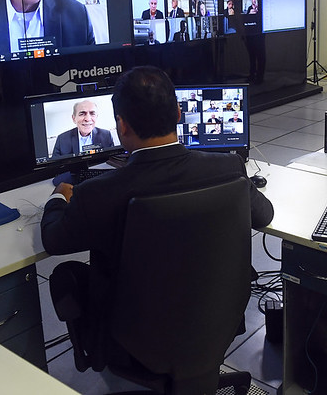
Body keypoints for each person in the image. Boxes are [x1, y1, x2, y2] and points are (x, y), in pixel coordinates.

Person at [41, 66, 274, 365]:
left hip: (132, 336)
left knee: (66, 275)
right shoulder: (228, 169)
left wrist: (59, 196)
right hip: (216, 318)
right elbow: (264, 215)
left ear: (121, 126)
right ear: (178, 113)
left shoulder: (98, 193)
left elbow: (54, 240)